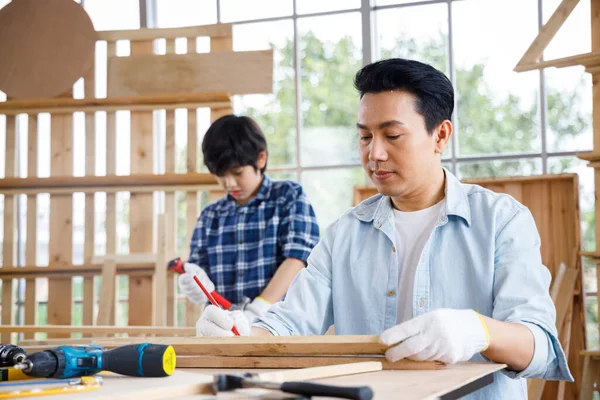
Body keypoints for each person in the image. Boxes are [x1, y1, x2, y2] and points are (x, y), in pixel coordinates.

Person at [194, 59, 572, 398]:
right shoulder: (345, 233)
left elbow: (539, 347)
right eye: (364, 136)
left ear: (440, 135)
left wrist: (478, 331)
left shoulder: (501, 220)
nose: (374, 153)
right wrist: (240, 333)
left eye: (392, 135)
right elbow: (289, 322)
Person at [178, 114, 320, 327]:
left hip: (282, 326)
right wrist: (195, 284)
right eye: (220, 175)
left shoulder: (288, 197)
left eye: (237, 173)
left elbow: (298, 259)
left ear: (260, 159)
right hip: (224, 330)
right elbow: (199, 269)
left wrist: (259, 308)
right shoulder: (210, 217)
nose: (229, 183)